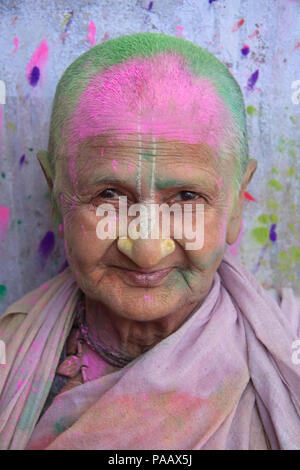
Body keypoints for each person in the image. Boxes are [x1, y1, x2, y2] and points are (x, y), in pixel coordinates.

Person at [0, 32, 299, 450]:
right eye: (109, 196)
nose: (145, 250)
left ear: (234, 207)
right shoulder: (10, 351)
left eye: (187, 198)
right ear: (57, 198)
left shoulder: (288, 349)